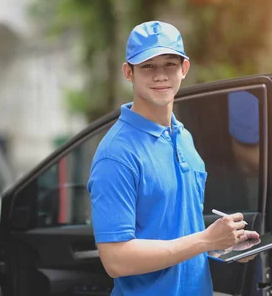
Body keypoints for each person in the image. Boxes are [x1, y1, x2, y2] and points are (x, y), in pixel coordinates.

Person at [86, 21, 259, 296]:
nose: (160, 75)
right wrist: (204, 240)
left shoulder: (184, 138)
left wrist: (222, 244)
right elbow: (116, 259)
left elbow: (178, 229)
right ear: (128, 72)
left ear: (184, 69)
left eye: (169, 64)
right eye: (148, 66)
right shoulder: (116, 155)